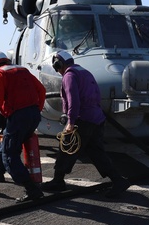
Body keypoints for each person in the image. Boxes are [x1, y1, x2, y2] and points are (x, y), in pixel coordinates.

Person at [42, 51, 130, 197]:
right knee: (96, 153)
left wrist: (70, 122)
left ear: (58, 64)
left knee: (66, 149)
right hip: (96, 119)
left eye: (56, 67)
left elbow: (73, 101)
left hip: (82, 120)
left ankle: (58, 181)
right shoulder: (85, 72)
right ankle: (118, 180)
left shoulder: (69, 76)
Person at [0, 53, 46, 202]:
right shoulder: (23, 70)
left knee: (9, 154)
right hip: (33, 116)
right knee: (6, 146)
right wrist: (36, 109)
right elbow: (42, 90)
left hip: (18, 118)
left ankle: (31, 189)